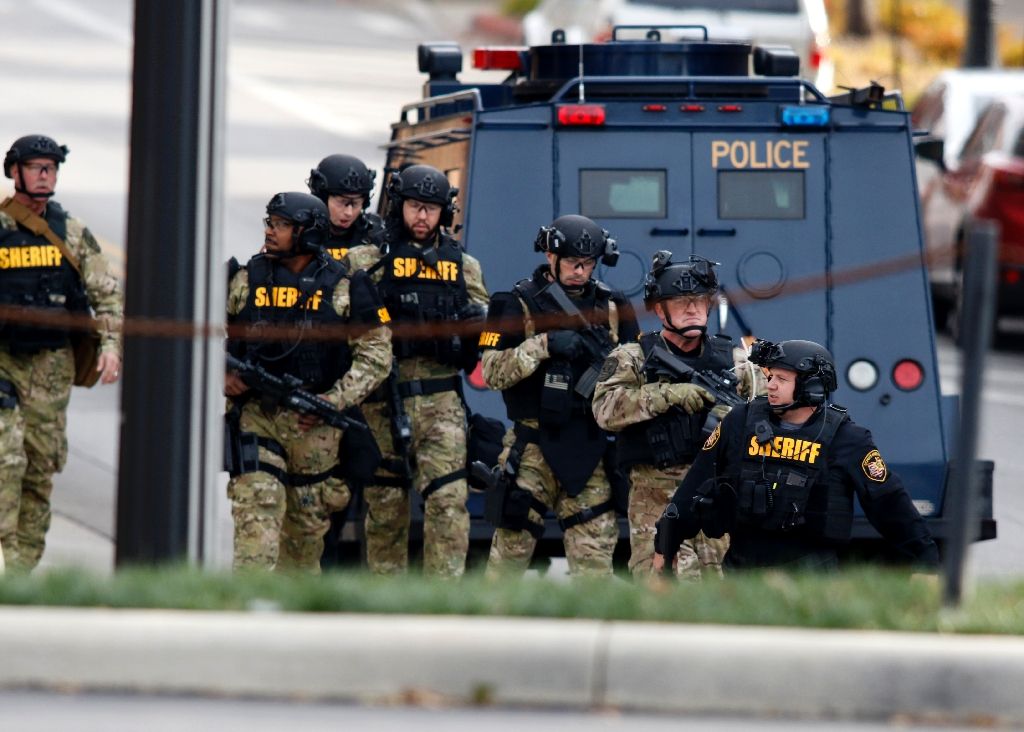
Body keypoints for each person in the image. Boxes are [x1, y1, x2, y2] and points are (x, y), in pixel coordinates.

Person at [654, 338, 939, 572]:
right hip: (742, 573)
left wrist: (925, 562)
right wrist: (664, 546)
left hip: (812, 580)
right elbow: (694, 487)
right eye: (769, 377)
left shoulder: (848, 439)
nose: (771, 385)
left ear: (811, 386)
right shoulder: (740, 422)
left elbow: (889, 504)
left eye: (782, 378)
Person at [225, 192, 391, 571]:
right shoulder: (246, 279)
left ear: (309, 234)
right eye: (270, 222)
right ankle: (245, 621)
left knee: (302, 548)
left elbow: (377, 357)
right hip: (258, 417)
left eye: (281, 225)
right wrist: (225, 374)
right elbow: (202, 335)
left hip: (315, 429)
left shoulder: (348, 287)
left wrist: (334, 400)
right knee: (256, 523)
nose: (270, 231)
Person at [344, 164, 489, 578]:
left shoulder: (463, 265)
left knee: (448, 503)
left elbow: (488, 331)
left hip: (441, 401)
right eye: (413, 206)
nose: (421, 217)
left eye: (430, 208)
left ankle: (442, 602)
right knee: (386, 510)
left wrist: (470, 327)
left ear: (444, 212)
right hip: (383, 401)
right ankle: (388, 605)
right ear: (398, 206)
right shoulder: (366, 259)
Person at [479, 214, 640, 578]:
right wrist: (543, 344)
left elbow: (634, 372)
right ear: (551, 258)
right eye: (572, 262)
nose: (580, 271)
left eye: (588, 264)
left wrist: (604, 370)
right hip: (532, 446)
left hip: (589, 446)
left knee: (595, 563)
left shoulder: (614, 307)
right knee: (507, 561)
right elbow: (491, 372)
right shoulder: (515, 303)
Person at [593, 251, 758, 580]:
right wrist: (666, 395)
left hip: (717, 496)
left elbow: (771, 413)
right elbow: (604, 410)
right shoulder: (632, 357)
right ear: (658, 308)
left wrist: (737, 420)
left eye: (699, 301)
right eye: (681, 302)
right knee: (669, 590)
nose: (693, 309)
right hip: (656, 498)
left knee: (721, 592)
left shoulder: (737, 362)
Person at [0, 135, 123, 572]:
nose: (45, 176)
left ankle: (19, 572)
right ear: (15, 171)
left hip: (52, 368)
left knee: (37, 471)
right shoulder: (1, 227)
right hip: (4, 363)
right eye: (36, 167)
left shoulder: (69, 232)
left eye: (51, 168)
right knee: (6, 459)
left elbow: (107, 295)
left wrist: (110, 347)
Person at [307, 154, 384, 262]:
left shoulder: (375, 236)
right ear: (322, 199)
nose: (349, 213)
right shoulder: (301, 234)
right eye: (342, 203)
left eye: (356, 204)